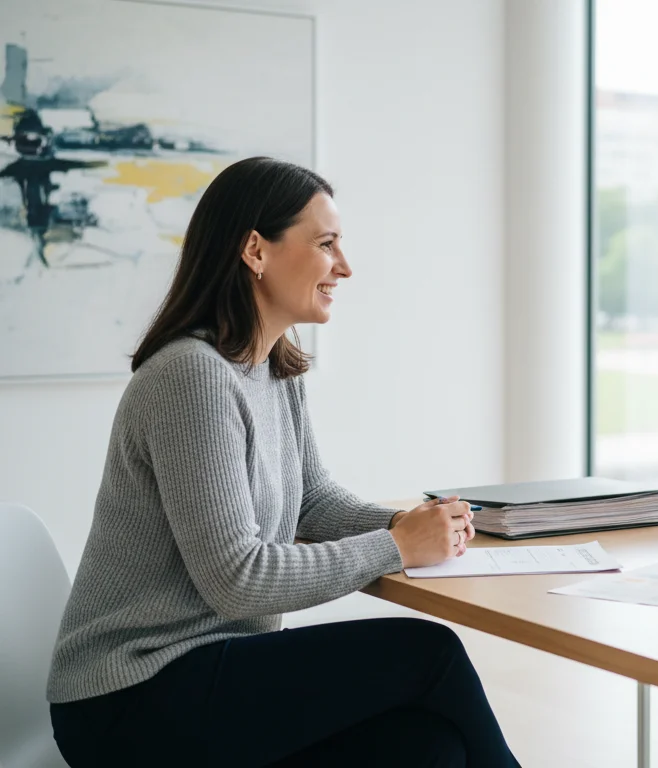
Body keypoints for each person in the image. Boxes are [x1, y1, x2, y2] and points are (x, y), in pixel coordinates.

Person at [46, 157, 520, 767]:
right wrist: (398, 548)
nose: (344, 267)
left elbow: (314, 500)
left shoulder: (274, 365)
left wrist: (421, 526)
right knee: (428, 653)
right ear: (255, 250)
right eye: (326, 245)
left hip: (213, 673)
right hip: (131, 694)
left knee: (431, 750)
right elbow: (237, 578)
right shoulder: (191, 376)